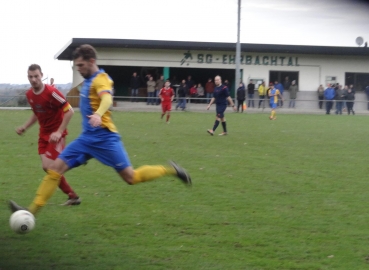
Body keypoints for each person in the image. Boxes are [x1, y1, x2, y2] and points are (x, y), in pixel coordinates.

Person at [9, 44, 191, 216]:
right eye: (76, 65)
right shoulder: (87, 81)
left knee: (131, 177)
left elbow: (107, 99)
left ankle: (171, 170)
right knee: (54, 169)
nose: (78, 69)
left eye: (80, 65)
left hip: (105, 139)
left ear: (92, 62)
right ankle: (29, 212)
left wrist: (98, 114)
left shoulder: (101, 79)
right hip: (86, 139)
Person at [16, 64, 81, 206]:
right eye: (30, 77)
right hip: (43, 135)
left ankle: (71, 193)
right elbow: (36, 113)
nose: (33, 80)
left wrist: (59, 131)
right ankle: (73, 196)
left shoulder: (52, 92)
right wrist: (24, 127)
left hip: (56, 134)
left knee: (52, 168)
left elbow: (69, 110)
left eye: (36, 76)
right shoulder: (29, 94)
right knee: (47, 167)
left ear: (41, 75)